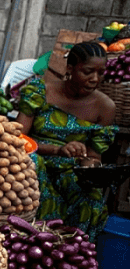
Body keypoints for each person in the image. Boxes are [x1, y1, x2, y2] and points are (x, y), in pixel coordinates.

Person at [16, 42, 118, 242]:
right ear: (70, 69)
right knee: (32, 169)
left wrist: (89, 165)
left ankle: (71, 252)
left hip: (71, 170)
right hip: (37, 158)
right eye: (88, 72)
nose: (94, 79)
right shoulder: (40, 92)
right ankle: (28, 243)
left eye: (100, 73)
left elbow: (94, 156)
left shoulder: (105, 107)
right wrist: (57, 150)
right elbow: (17, 139)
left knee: (92, 201)